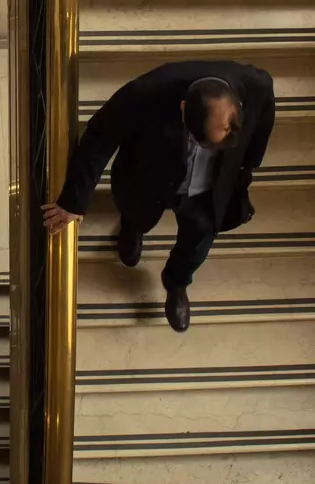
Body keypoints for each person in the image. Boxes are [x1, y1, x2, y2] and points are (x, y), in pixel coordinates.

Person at [42, 60, 275, 332]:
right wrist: (74, 202)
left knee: (198, 241)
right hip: (149, 178)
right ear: (184, 108)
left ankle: (177, 283)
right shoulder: (145, 92)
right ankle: (132, 228)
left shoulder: (257, 85)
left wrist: (250, 163)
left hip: (208, 188)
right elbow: (99, 136)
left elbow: (265, 114)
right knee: (137, 211)